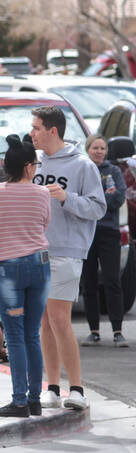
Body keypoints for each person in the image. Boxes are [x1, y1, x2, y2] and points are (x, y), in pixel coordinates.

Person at [29, 106, 105, 411]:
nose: (31, 132)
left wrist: (66, 198)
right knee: (45, 321)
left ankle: (77, 390)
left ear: (52, 130)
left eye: (36, 127)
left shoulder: (83, 166)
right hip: (34, 249)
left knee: (59, 318)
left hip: (67, 250)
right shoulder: (33, 162)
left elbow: (98, 208)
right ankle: (52, 387)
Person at [0, 135, 52, 418]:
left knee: (16, 336)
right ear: (29, 167)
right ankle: (34, 399)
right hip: (39, 265)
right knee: (33, 335)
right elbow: (45, 222)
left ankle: (19, 400)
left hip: (8, 267)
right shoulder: (42, 193)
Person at [81, 133, 127, 347]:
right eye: (95, 148)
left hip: (109, 232)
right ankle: (94, 331)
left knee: (112, 281)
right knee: (88, 283)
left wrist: (94, 200)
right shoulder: (82, 170)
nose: (99, 152)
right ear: (88, 150)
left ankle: (117, 331)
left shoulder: (114, 171)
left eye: (102, 148)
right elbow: (78, 200)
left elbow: (118, 199)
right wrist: (100, 198)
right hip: (87, 232)